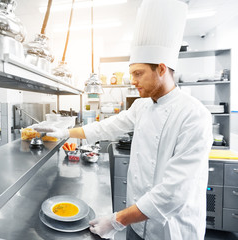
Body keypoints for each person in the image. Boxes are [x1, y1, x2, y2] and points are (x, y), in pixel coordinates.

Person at [34, 0, 213, 239]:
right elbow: (106, 127)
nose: (133, 81)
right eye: (131, 74)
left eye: (138, 73)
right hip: (137, 224)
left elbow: (173, 193)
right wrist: (67, 132)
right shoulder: (142, 106)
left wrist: (117, 221)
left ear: (161, 69)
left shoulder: (194, 116)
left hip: (172, 230)